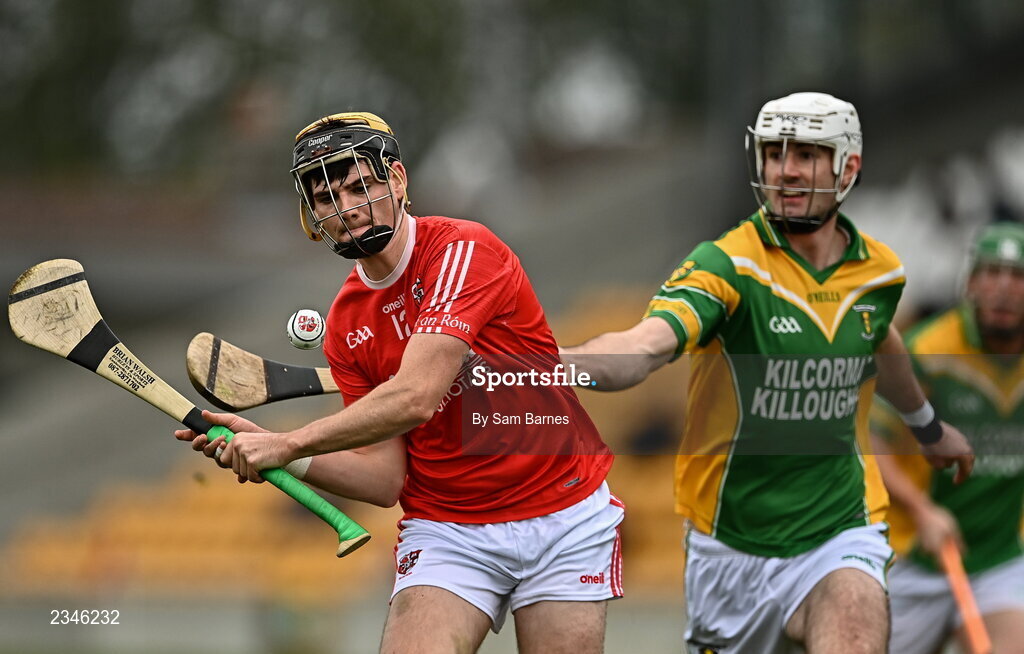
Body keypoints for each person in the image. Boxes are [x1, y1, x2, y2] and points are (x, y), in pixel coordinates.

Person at [175, 112, 623, 654]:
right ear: (311, 215)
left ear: (399, 180)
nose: (345, 208)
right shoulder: (345, 320)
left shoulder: (462, 251)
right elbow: (385, 479)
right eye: (325, 198)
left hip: (561, 508)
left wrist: (289, 440)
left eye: (359, 185)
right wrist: (276, 453)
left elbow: (415, 396)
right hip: (449, 527)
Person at [559, 91, 975, 653]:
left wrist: (927, 427)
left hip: (840, 527)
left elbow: (879, 338)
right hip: (731, 549)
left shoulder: (880, 272)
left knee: (854, 612)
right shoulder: (727, 265)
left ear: (847, 166)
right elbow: (645, 346)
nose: (786, 170)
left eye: (806, 154)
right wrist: (552, 367)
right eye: (775, 154)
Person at [872, 221, 1024, 654]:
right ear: (971, 283)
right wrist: (923, 511)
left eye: (1017, 277)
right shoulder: (926, 350)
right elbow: (871, 442)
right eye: (991, 274)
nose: (1003, 289)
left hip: (997, 560)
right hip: (909, 557)